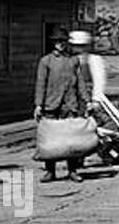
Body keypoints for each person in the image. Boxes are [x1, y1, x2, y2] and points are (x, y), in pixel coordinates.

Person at [34, 28, 91, 182]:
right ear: (53, 43)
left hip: (69, 104)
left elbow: (80, 82)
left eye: (62, 41)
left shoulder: (73, 60)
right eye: (57, 42)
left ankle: (72, 170)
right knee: (50, 139)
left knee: (71, 139)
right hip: (51, 104)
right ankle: (50, 171)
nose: (60, 44)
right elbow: (41, 84)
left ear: (67, 43)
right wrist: (39, 104)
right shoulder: (46, 61)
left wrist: (87, 100)